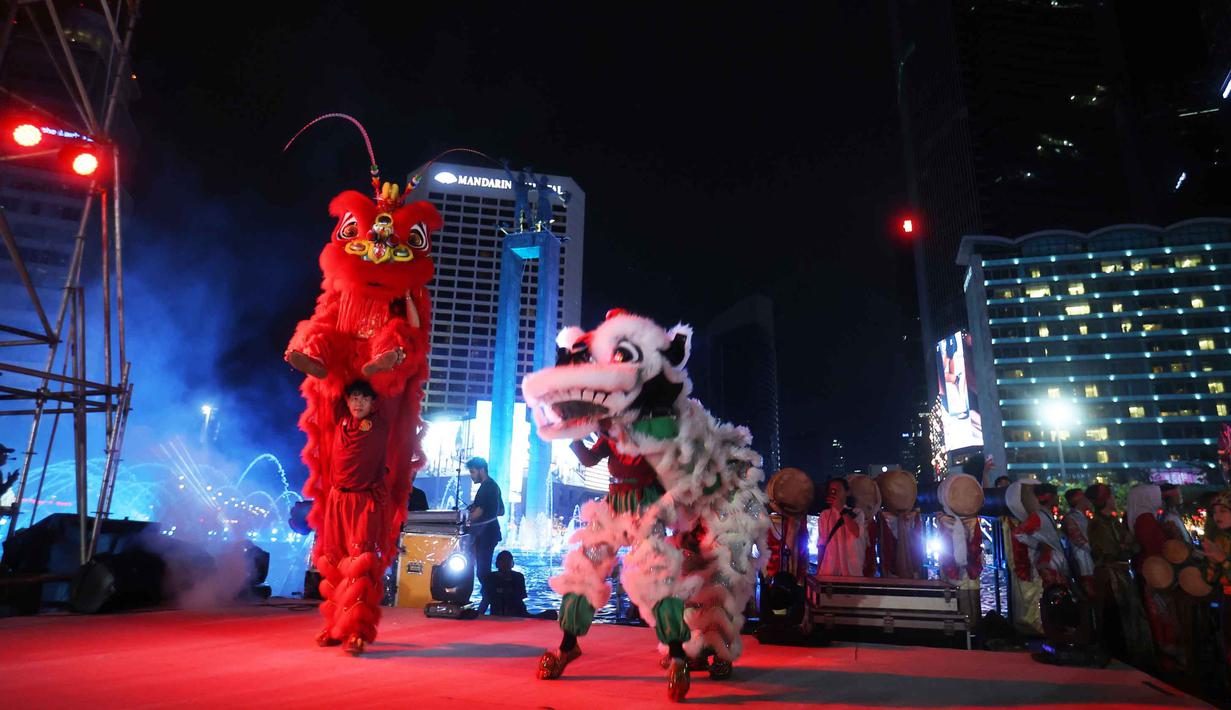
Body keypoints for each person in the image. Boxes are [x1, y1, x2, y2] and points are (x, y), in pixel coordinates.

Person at [314, 380, 391, 655]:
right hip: (337, 499)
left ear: (373, 403)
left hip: (364, 501)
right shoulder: (340, 423)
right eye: (354, 397)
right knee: (334, 560)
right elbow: (327, 385)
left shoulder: (380, 426)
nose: (358, 403)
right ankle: (337, 626)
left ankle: (357, 630)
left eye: (364, 398)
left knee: (360, 563)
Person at [1085, 483, 1153, 667]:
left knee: (1125, 616)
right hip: (1111, 577)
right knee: (1117, 617)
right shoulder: (1098, 524)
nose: (1114, 499)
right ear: (1105, 500)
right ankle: (1121, 655)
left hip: (1118, 573)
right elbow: (1112, 551)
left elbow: (1127, 545)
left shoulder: (1111, 521)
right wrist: (1128, 546)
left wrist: (1128, 545)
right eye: (1111, 496)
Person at [466, 456, 503, 599]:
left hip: (485, 534)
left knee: (482, 571)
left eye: (473, 472)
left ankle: (492, 598)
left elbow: (478, 513)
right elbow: (501, 511)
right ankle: (489, 600)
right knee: (483, 569)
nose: (471, 476)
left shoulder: (486, 487)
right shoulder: (494, 485)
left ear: (482, 470)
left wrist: (464, 519)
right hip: (491, 532)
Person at [816, 478, 865, 576]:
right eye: (831, 491)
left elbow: (856, 532)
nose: (834, 493)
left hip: (852, 569)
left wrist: (841, 509)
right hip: (830, 569)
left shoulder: (857, 512)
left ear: (847, 492)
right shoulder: (825, 515)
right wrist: (819, 569)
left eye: (837, 490)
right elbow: (822, 544)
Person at [1062, 489, 1096, 599]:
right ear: (1077, 499)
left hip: (1089, 561)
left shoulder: (1081, 516)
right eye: (1084, 497)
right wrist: (1095, 550)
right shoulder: (1071, 518)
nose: (1088, 500)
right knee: (1088, 596)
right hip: (1083, 562)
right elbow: (1078, 539)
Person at [485, 550, 528, 617]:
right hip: (511, 613)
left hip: (515, 613)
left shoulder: (490, 577)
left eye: (507, 561)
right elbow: (522, 596)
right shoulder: (490, 578)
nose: (505, 564)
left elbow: (487, 598)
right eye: (503, 561)